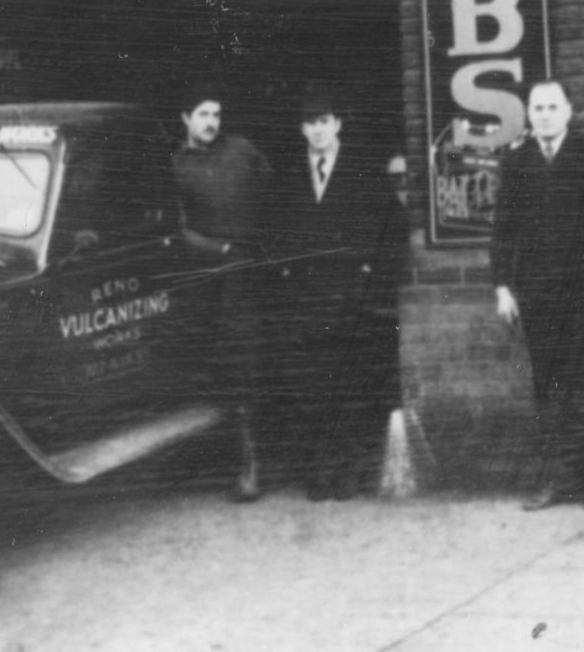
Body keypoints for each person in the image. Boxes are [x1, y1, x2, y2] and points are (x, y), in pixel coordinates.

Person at [491, 79, 584, 512]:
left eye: (553, 107)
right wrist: (502, 287)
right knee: (548, 387)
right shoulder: (518, 162)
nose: (545, 115)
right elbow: (503, 230)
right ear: (529, 114)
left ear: (568, 111)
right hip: (538, 294)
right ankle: (557, 478)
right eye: (538, 108)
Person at [273, 87, 407, 500]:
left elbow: (393, 229)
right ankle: (318, 471)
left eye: (324, 122)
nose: (317, 130)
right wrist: (287, 278)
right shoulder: (288, 176)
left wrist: (370, 278)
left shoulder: (363, 170)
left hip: (351, 301)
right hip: (307, 303)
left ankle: (348, 470)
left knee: (349, 388)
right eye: (310, 123)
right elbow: (273, 234)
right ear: (302, 129)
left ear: (338, 125)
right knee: (311, 391)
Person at [171, 83, 273, 501]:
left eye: (216, 114)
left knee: (259, 364)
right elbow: (179, 229)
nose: (212, 122)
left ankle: (270, 461)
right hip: (210, 282)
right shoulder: (176, 166)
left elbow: (273, 194)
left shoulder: (242, 151)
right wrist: (220, 251)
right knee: (229, 370)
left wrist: (262, 246)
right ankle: (244, 466)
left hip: (253, 274)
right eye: (203, 114)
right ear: (185, 119)